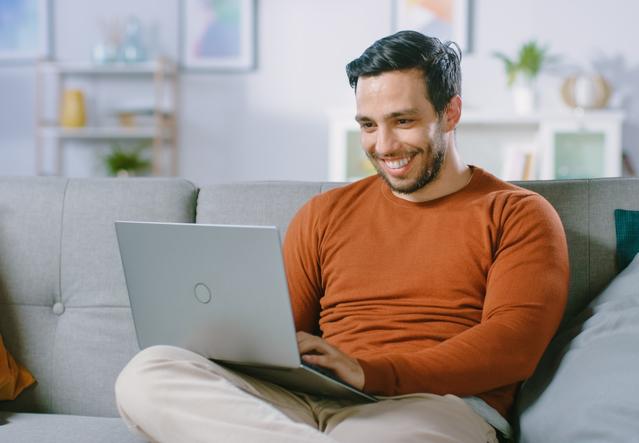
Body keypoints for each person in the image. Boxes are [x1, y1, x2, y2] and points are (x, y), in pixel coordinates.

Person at [115, 30, 569, 443]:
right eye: (368, 125)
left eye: (403, 121)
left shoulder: (518, 214)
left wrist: (370, 372)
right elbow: (280, 335)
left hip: (430, 407)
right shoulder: (324, 214)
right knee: (148, 373)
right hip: (305, 403)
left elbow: (512, 348)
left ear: (450, 113)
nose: (384, 145)